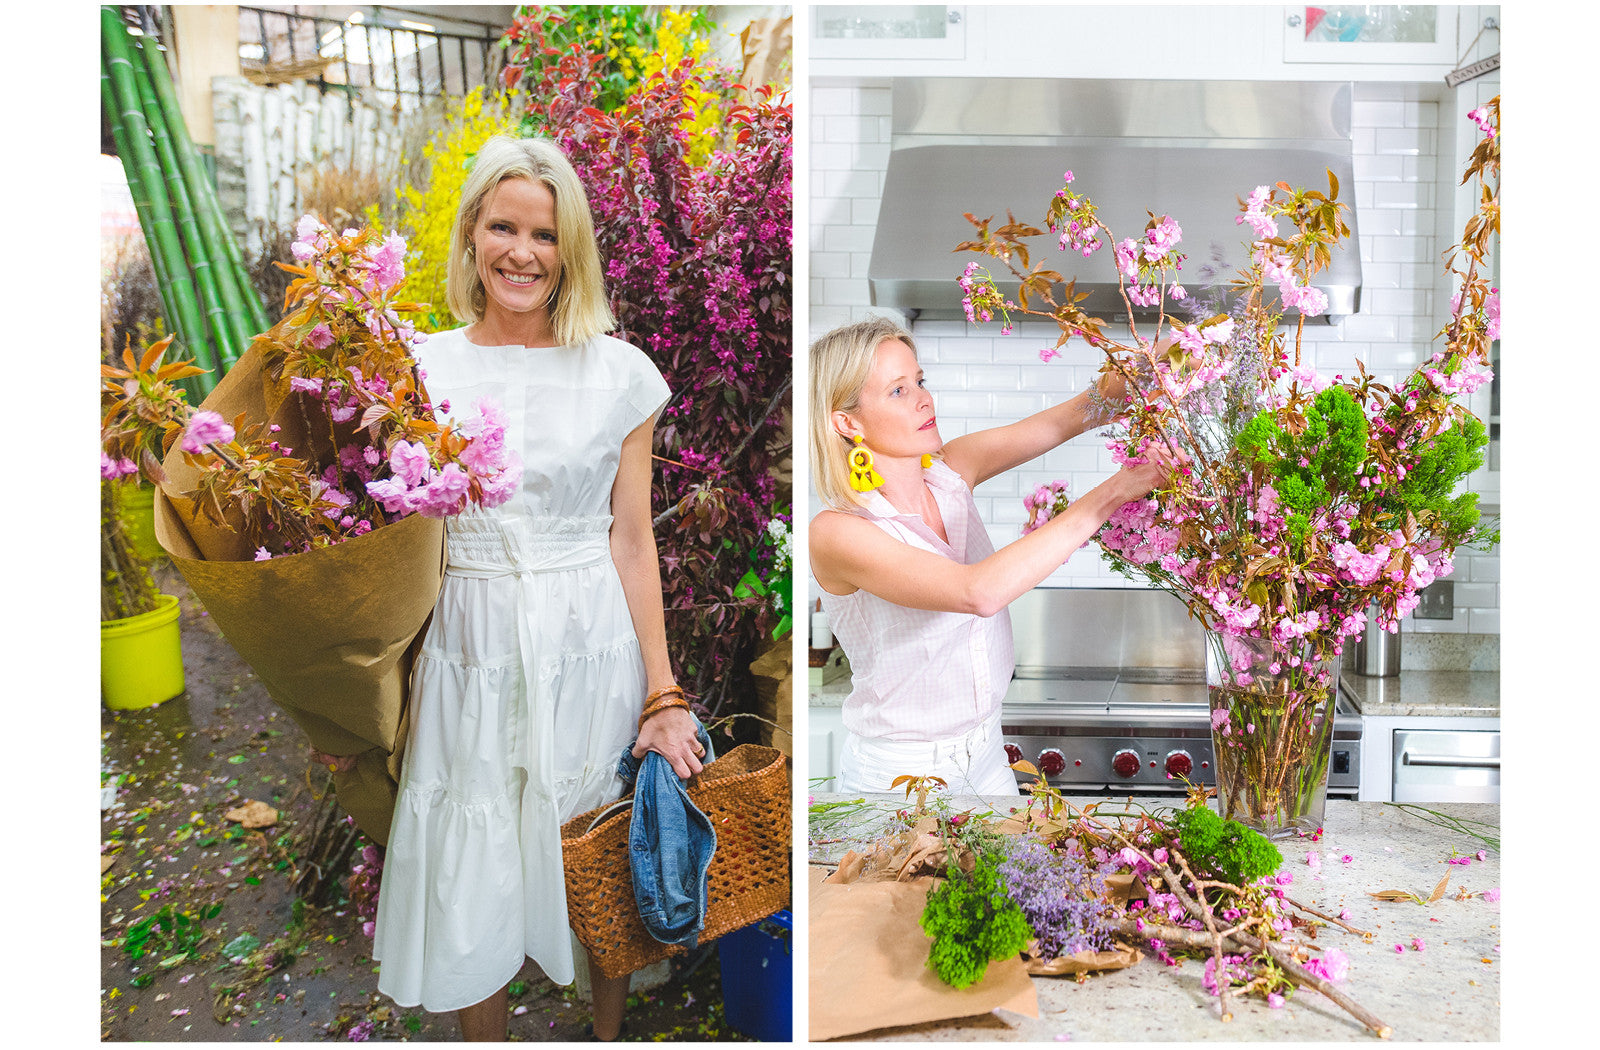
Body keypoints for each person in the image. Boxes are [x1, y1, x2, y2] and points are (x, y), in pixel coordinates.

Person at [365, 135, 704, 1042]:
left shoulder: (620, 373)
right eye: (503, 226)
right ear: (471, 234)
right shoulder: (418, 368)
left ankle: (604, 1034)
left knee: (595, 853)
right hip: (466, 640)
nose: (523, 251)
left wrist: (664, 691)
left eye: (545, 235)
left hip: (587, 639)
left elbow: (633, 540)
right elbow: (385, 546)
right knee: (473, 865)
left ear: (571, 250)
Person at [808, 317, 1181, 797]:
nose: (925, 399)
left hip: (987, 756)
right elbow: (977, 591)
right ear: (847, 422)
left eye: (920, 381)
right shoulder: (839, 532)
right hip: (899, 778)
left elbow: (1071, 416)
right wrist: (1118, 490)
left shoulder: (951, 470)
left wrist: (1160, 360)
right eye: (898, 391)